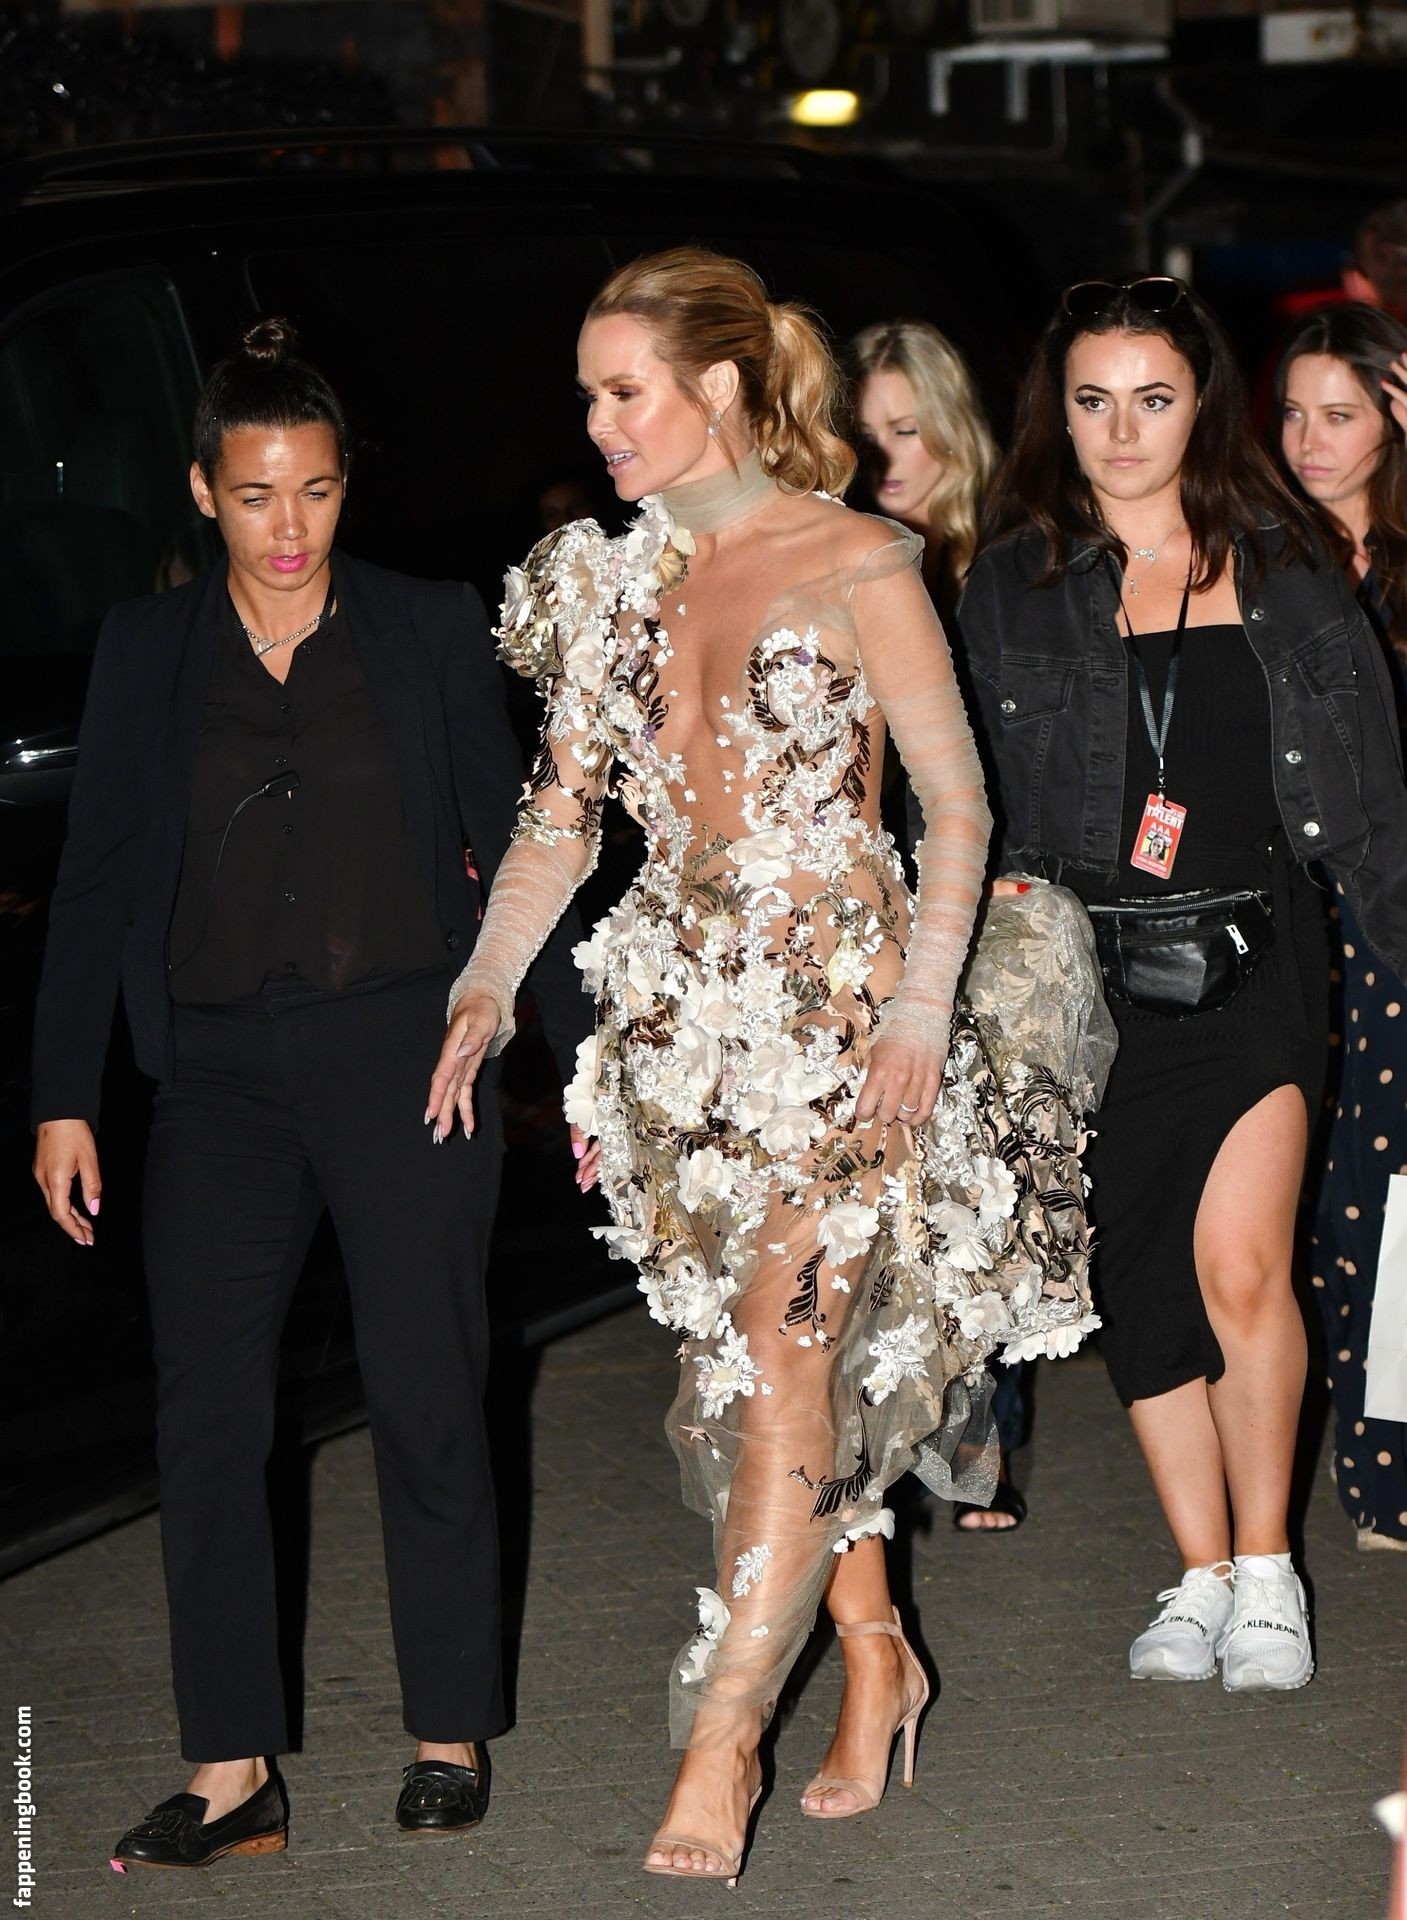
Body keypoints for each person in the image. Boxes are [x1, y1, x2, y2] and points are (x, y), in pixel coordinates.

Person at [426, 246, 1106, 1883]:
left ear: (717, 388)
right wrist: (484, 987)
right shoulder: (600, 587)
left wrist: (921, 1016)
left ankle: (719, 1740)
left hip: (846, 1032)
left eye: (624, 391)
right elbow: (556, 824)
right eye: (589, 396)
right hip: (677, 1049)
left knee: (788, 1365)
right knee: (766, 1387)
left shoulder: (856, 556)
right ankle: (874, 1653)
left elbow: (957, 808)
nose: (599, 423)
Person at [29, 319, 589, 1869]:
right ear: (201, 491)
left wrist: (578, 1060)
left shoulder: (421, 626)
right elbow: (98, 879)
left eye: (318, 491)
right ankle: (232, 1771)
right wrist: (63, 1092)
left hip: (405, 1057)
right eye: (258, 495)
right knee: (206, 1412)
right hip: (214, 1078)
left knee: (427, 1386)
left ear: (349, 485)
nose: (290, 528)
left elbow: (521, 849)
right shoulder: (147, 650)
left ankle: (447, 1727)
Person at [958, 274, 1407, 1694]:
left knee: (1240, 1267)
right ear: (1057, 412)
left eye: (1151, 399)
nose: (1121, 430)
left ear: (1199, 405)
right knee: (1137, 1282)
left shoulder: (1283, 563)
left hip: (1257, 953)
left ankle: (1268, 1567)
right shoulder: (1012, 581)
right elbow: (965, 793)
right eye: (1092, 400)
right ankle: (1199, 1569)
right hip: (1084, 984)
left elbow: (1372, 796)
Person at [850, 319, 1029, 1534]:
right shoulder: (847, 557)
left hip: (986, 889)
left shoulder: (1001, 564)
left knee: (983, 1171)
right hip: (878, 897)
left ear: (954, 433)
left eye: (907, 432)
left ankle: (982, 1432)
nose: (887, 461)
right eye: (866, 437)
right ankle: (887, 1438)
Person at [1273, 302, 1407, 1550]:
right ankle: (1365, 1458)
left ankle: (1385, 1465)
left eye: (1342, 415)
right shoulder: (1265, 560)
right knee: (1325, 1191)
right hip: (1296, 910)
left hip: (1396, 917)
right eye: (1294, 415)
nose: (1310, 441)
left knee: (1388, 1187)